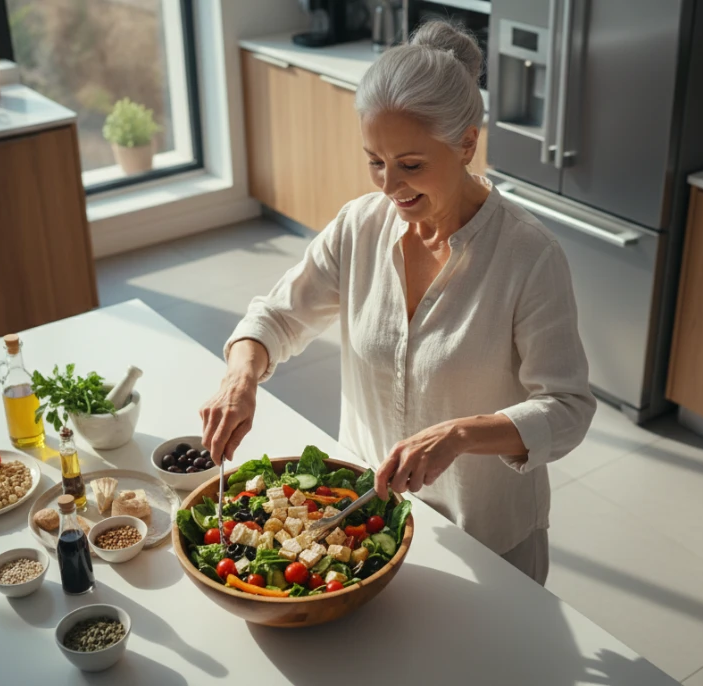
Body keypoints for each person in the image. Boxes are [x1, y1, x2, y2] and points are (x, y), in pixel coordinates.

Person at [200, 21, 595, 585]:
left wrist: (459, 435)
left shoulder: (528, 255)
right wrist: (240, 376)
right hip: (362, 522)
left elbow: (568, 407)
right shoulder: (359, 226)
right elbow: (278, 316)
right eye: (375, 161)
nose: (388, 186)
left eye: (410, 165)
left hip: (485, 539)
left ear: (466, 144)